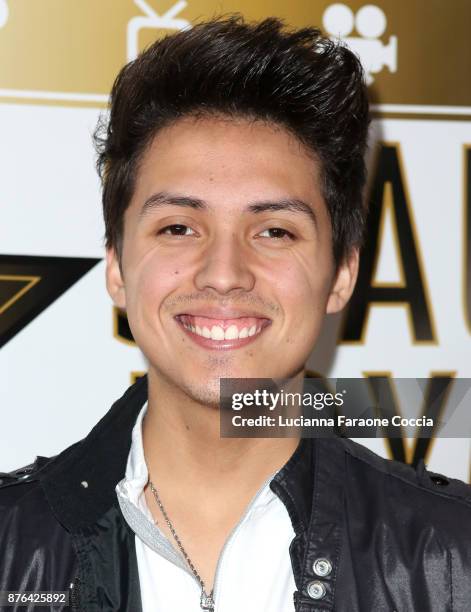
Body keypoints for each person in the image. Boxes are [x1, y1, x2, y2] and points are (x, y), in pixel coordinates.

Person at [1, 15, 470, 612]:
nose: (224, 273)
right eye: (178, 227)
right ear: (117, 265)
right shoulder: (12, 544)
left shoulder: (452, 558)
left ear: (342, 273)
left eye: (274, 231)